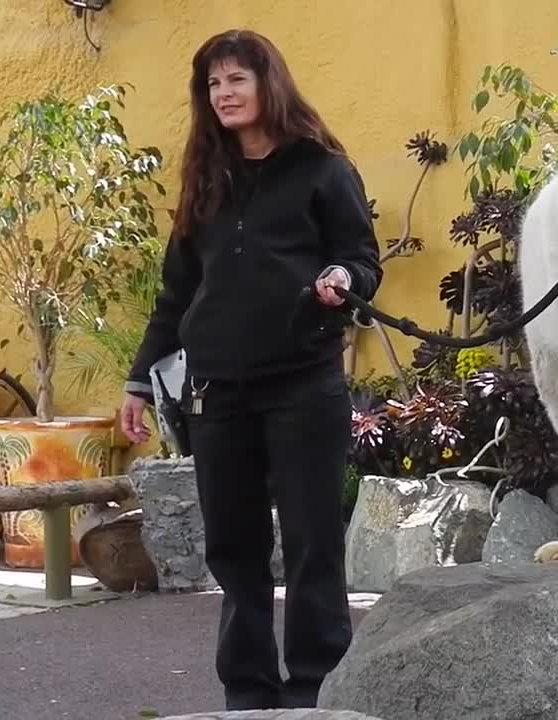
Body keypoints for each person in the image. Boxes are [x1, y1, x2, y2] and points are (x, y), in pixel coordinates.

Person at [120, 29, 381, 710]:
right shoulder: (206, 178)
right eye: (213, 83)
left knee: (311, 542)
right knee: (234, 552)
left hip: (302, 383)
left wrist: (340, 275)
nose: (225, 93)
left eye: (237, 79)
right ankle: (248, 690)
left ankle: (316, 688)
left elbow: (362, 259)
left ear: (270, 84)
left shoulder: (323, 169)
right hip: (216, 393)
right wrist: (139, 380)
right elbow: (177, 294)